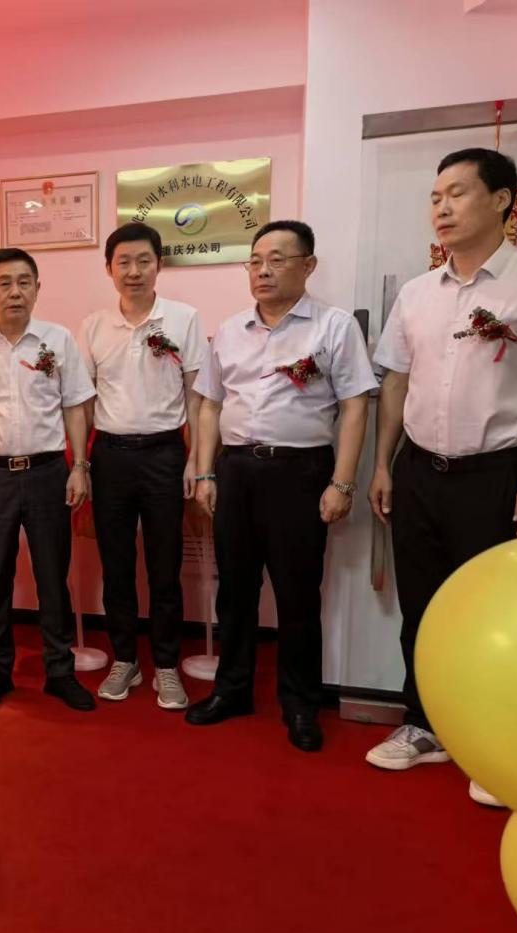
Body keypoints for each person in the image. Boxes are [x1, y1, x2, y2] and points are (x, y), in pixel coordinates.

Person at [366, 148, 517, 803]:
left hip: (501, 474)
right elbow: (396, 380)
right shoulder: (416, 292)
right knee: (423, 608)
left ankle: (499, 744)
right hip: (419, 471)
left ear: (501, 200)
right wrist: (382, 463)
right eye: (435, 196)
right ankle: (423, 724)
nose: (441, 207)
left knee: (499, 612)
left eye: (457, 193)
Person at [187, 220, 374, 751]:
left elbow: (356, 405)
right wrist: (205, 472)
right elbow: (211, 405)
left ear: (308, 266)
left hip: (301, 473)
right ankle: (232, 690)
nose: (263, 270)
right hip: (236, 470)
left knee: (297, 595)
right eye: (255, 260)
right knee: (234, 590)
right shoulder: (230, 330)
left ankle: (300, 703)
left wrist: (343, 483)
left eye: (277, 259)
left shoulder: (334, 327)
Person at [0, 247, 96, 712]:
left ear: (37, 288)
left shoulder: (58, 340)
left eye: (24, 282)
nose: (15, 292)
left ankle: (59, 671)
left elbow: (75, 407)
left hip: (49, 472)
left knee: (53, 575)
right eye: (4, 283)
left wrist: (79, 466)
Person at [78, 222, 207, 709]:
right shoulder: (93, 326)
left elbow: (197, 398)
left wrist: (196, 459)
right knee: (115, 567)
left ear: (159, 264)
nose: (133, 271)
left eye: (143, 261)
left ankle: (167, 666)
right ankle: (125, 659)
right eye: (123, 262)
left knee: (164, 567)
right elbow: (83, 404)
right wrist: (82, 464)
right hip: (110, 455)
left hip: (164, 455)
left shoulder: (184, 318)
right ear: (108, 269)